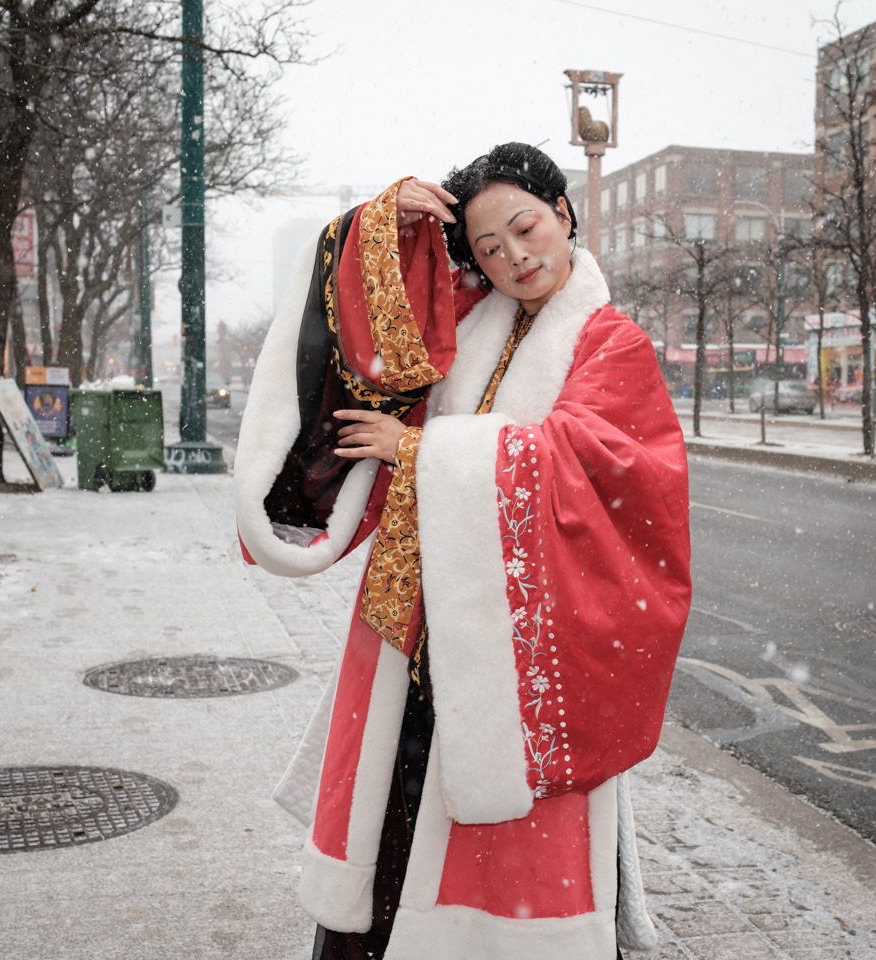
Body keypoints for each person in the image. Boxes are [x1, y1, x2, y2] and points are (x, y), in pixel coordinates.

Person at [235, 142, 691, 960]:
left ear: (566, 214)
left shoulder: (609, 343)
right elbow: (375, 345)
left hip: (518, 651)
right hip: (420, 633)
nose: (514, 257)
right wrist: (384, 221)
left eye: (525, 227)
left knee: (484, 851)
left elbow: (583, 463)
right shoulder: (475, 322)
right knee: (398, 821)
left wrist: (418, 454)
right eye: (487, 247)